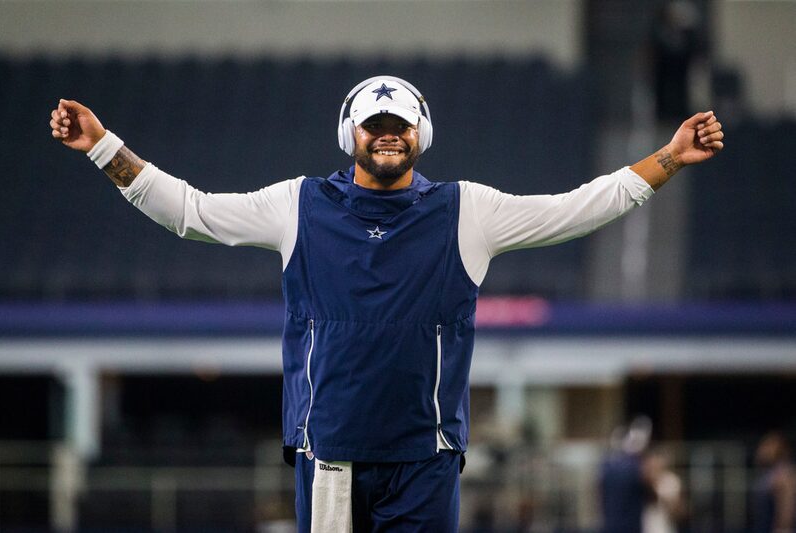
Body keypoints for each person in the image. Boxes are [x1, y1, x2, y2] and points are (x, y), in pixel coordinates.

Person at [50, 75, 724, 532]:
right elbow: (190, 212)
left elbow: (576, 209)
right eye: (374, 124)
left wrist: (666, 158)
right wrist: (103, 146)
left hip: (425, 462)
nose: (387, 133)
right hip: (330, 457)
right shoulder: (299, 204)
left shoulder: (468, 210)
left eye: (399, 123)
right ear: (350, 133)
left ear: (420, 132)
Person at [753, 431, 796, 533]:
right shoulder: (770, 474)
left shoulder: (784, 475)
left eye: (768, 445)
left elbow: (787, 511)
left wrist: (783, 529)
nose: (762, 449)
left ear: (780, 449)